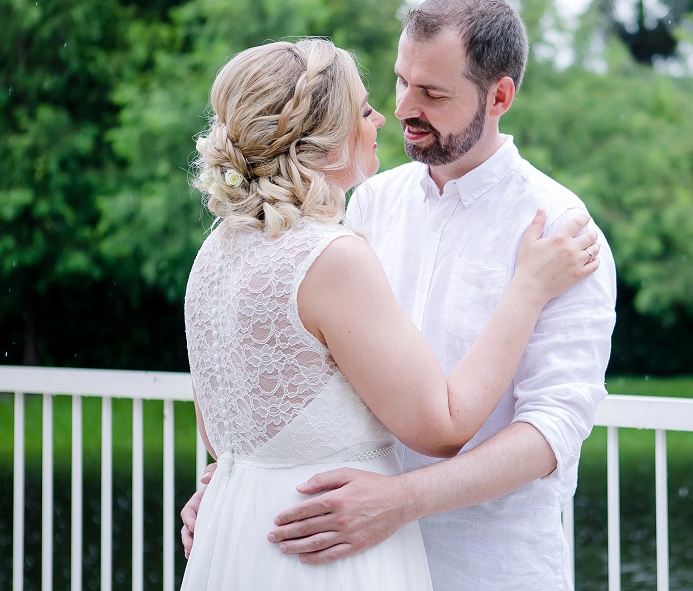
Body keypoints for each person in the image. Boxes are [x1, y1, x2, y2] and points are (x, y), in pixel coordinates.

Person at [180, 37, 600, 590]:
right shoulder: (343, 237)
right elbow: (444, 424)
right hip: (332, 556)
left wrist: (239, 481)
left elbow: (229, 428)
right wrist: (527, 289)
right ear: (325, 140)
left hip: (259, 539)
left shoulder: (216, 250)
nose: (392, 112)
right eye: (372, 103)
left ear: (499, 96)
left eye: (428, 90)